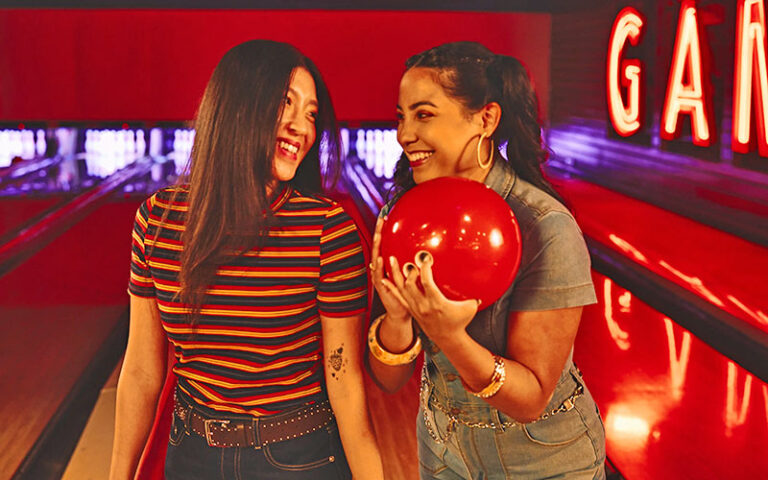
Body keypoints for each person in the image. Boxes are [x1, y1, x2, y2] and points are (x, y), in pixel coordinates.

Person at [110, 40, 384, 480]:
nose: (303, 127)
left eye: (311, 114)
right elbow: (142, 368)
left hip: (298, 456)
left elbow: (346, 382)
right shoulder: (157, 220)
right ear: (237, 106)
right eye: (285, 103)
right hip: (191, 453)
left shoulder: (328, 230)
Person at [367, 42, 606, 479]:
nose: (404, 135)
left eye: (424, 114)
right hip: (441, 449)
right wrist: (398, 319)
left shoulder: (545, 227)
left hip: (542, 459)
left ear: (486, 119)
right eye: (402, 117)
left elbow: (531, 400)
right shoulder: (399, 219)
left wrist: (449, 335)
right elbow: (389, 381)